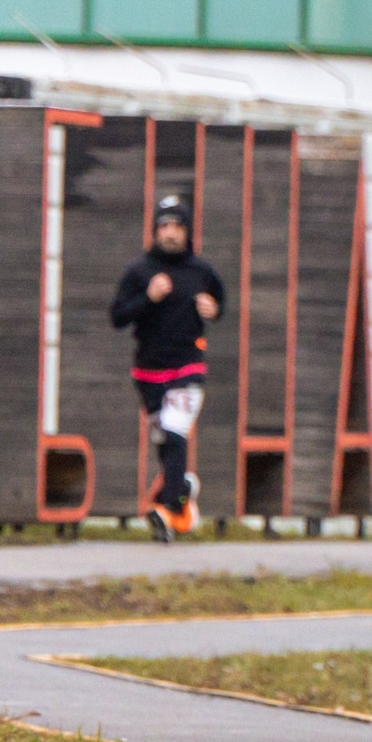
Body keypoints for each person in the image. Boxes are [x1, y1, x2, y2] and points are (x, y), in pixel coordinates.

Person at [109, 196, 225, 540]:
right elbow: (117, 316)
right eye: (165, 226)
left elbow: (221, 300)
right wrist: (149, 298)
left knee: (175, 434)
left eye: (178, 226)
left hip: (188, 369)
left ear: (187, 232)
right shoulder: (139, 271)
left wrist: (214, 309)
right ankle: (182, 492)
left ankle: (170, 510)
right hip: (149, 372)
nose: (171, 233)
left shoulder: (201, 271)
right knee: (165, 442)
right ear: (155, 230)